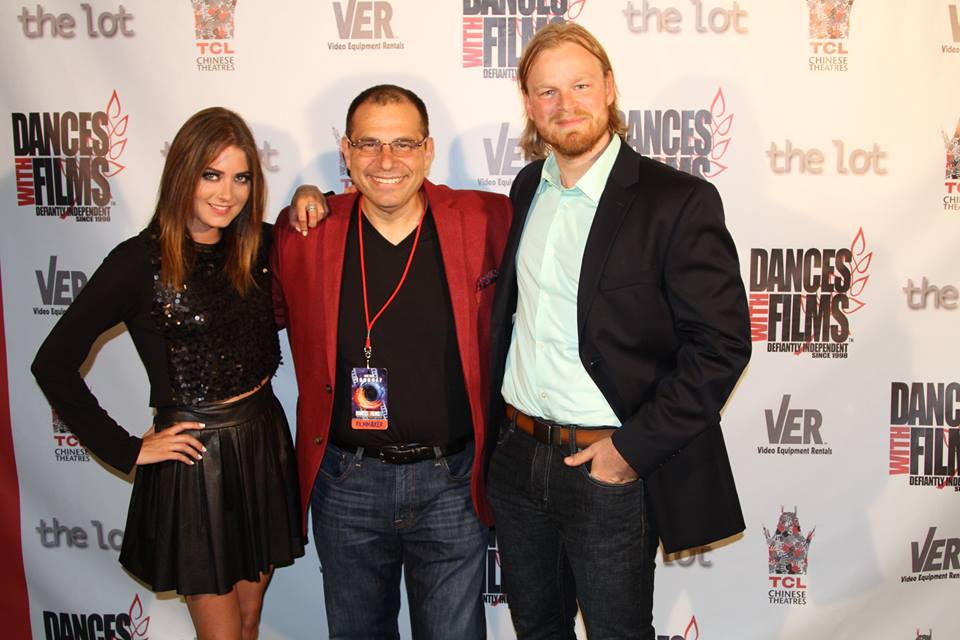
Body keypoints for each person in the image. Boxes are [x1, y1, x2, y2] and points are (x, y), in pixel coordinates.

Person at [484, 23, 751, 639]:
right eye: (546, 91)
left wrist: (630, 451)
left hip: (606, 468)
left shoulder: (677, 201)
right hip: (519, 460)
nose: (565, 104)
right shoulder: (528, 187)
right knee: (537, 630)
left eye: (579, 84)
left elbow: (722, 345)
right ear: (528, 105)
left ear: (608, 87)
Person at [32, 107, 304, 640]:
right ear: (183, 173)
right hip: (196, 463)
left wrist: (312, 193)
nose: (227, 193)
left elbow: (327, 227)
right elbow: (53, 362)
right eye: (211, 174)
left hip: (262, 444)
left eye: (240, 177)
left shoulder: (260, 246)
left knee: (250, 620)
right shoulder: (138, 261)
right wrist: (129, 448)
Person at [272, 85, 511, 639]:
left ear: (428, 151)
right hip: (346, 480)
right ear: (346, 153)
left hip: (452, 479)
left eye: (403, 143)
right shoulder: (304, 233)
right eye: (369, 144)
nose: (386, 162)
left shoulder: (485, 219)